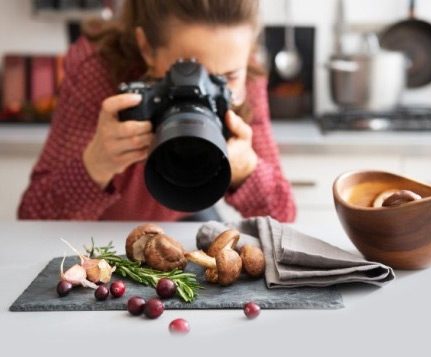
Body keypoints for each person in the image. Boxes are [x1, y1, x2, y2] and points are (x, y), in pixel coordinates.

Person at [18, 0, 296, 222]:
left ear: (248, 55)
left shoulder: (247, 80)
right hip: (96, 229)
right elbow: (34, 216)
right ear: (146, 48)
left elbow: (284, 214)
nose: (202, 90)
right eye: (186, 72)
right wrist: (96, 164)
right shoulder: (97, 68)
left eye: (227, 77)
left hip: (184, 217)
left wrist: (247, 169)